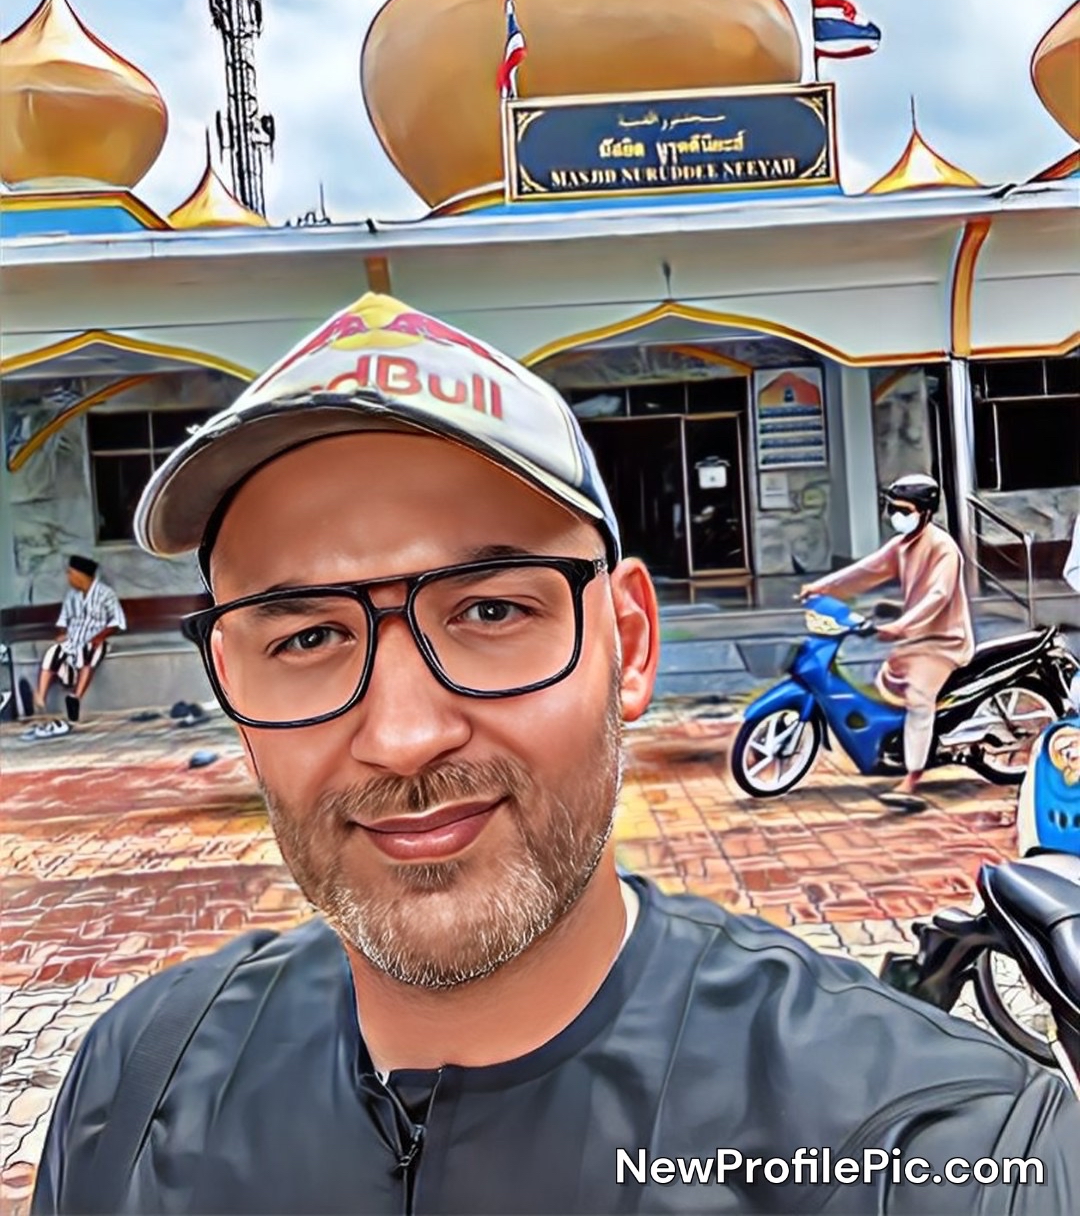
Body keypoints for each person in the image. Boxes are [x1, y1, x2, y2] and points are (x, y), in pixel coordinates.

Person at [33, 295, 1078, 1215]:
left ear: (628, 643)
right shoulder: (135, 1090)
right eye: (306, 637)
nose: (402, 735)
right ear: (231, 684)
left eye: (491, 609)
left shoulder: (935, 1147)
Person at [799, 474, 974, 813]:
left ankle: (912, 779)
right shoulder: (903, 545)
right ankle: (895, 746)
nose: (896, 516)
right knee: (885, 687)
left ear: (925, 512)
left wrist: (901, 625)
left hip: (942, 641)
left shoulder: (943, 548)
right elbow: (866, 570)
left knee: (919, 701)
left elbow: (938, 596)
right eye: (892, 509)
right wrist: (821, 587)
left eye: (904, 510)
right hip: (913, 638)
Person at [34, 555, 126, 726]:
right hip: (73, 639)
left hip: (95, 640)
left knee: (87, 652)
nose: (68, 577)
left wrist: (99, 637)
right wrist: (62, 633)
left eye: (71, 573)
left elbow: (117, 622)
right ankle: (40, 699)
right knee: (53, 653)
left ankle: (75, 698)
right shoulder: (72, 596)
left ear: (80, 575)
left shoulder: (106, 594)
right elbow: (63, 620)